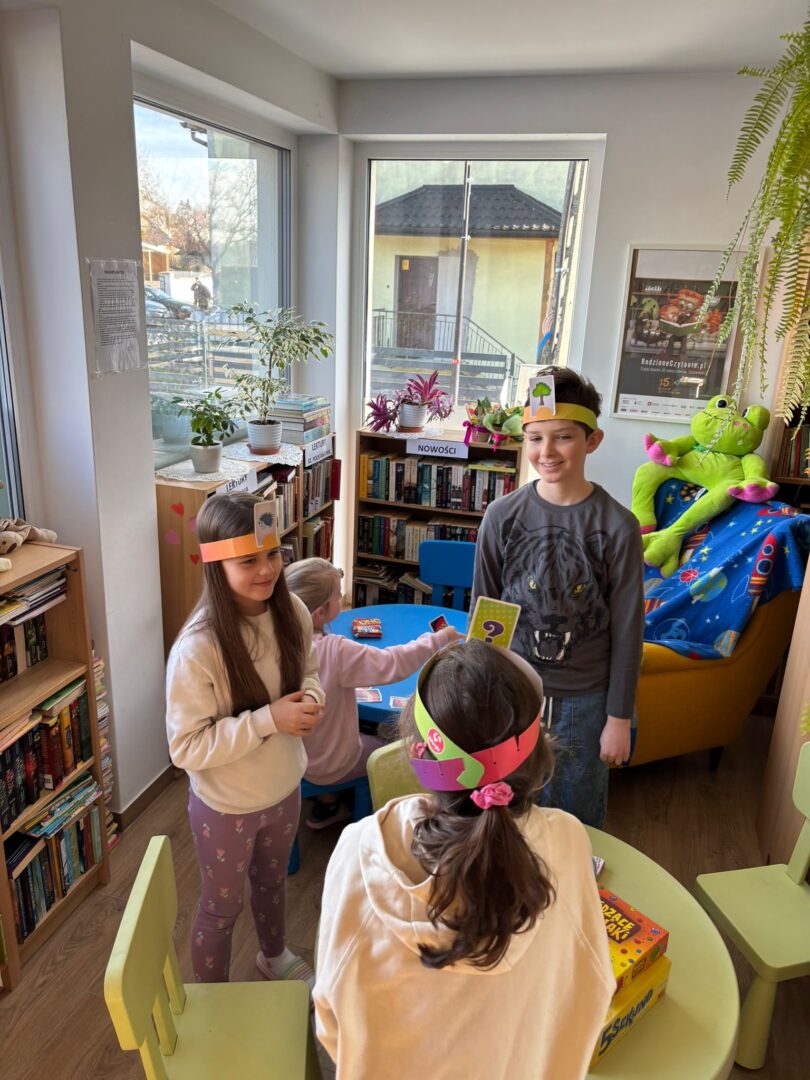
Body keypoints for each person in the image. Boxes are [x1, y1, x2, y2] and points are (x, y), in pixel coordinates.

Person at [313, 640, 614, 1078]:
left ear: (419, 752)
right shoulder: (567, 841)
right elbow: (591, 990)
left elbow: (331, 1020)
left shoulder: (358, 848)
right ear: (537, 750)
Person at [471, 366, 643, 828]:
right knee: (505, 814)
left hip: (585, 702)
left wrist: (619, 718)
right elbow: (485, 611)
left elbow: (629, 629)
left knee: (575, 820)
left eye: (563, 437)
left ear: (592, 440)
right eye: (535, 438)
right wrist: (480, 693)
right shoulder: (501, 516)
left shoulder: (617, 526)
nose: (546, 452)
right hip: (512, 693)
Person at [165, 493, 325, 986]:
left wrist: (312, 698)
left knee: (272, 885)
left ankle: (273, 955)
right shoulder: (198, 648)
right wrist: (268, 720)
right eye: (248, 560)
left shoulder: (292, 611)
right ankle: (212, 999)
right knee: (221, 909)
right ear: (217, 565)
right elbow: (185, 747)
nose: (267, 569)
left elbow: (310, 670)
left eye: (273, 553)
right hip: (225, 806)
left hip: (284, 788)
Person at [285, 557, 462, 828]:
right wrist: (439, 639)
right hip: (330, 764)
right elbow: (393, 663)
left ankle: (328, 802)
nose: (341, 598)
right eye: (338, 595)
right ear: (319, 613)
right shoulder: (333, 650)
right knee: (390, 747)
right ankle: (386, 818)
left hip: (290, 760)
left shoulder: (273, 641)